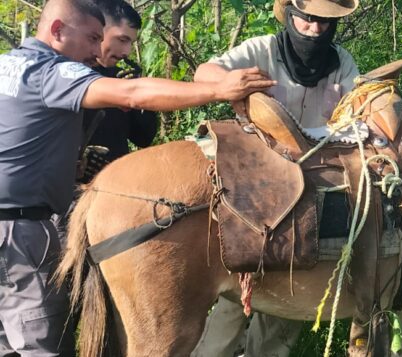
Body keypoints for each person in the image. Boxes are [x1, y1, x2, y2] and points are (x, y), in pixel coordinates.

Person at [0, 0, 275, 354]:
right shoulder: (51, 72)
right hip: (22, 231)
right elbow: (132, 94)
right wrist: (219, 90)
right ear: (57, 31)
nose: (95, 51)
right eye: (90, 38)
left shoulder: (7, 65)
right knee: (41, 345)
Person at [191, 0, 360, 356]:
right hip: (258, 173)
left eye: (324, 23)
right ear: (292, 16)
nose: (315, 29)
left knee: (295, 270)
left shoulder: (341, 61)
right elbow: (204, 73)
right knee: (242, 274)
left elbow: (355, 106)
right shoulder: (262, 49)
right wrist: (230, 83)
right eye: (308, 20)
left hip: (313, 175)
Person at [78, 0, 158, 183]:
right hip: (71, 192)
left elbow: (144, 138)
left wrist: (141, 99)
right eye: (122, 40)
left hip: (117, 188)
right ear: (98, 31)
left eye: (130, 43)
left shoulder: (121, 78)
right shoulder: (68, 77)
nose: (126, 52)